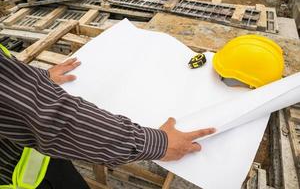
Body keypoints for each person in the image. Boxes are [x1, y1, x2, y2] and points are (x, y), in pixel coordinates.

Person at [0, 45, 215, 188]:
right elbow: (51, 117)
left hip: (32, 157)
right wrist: (156, 143)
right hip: (20, 177)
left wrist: (33, 79)